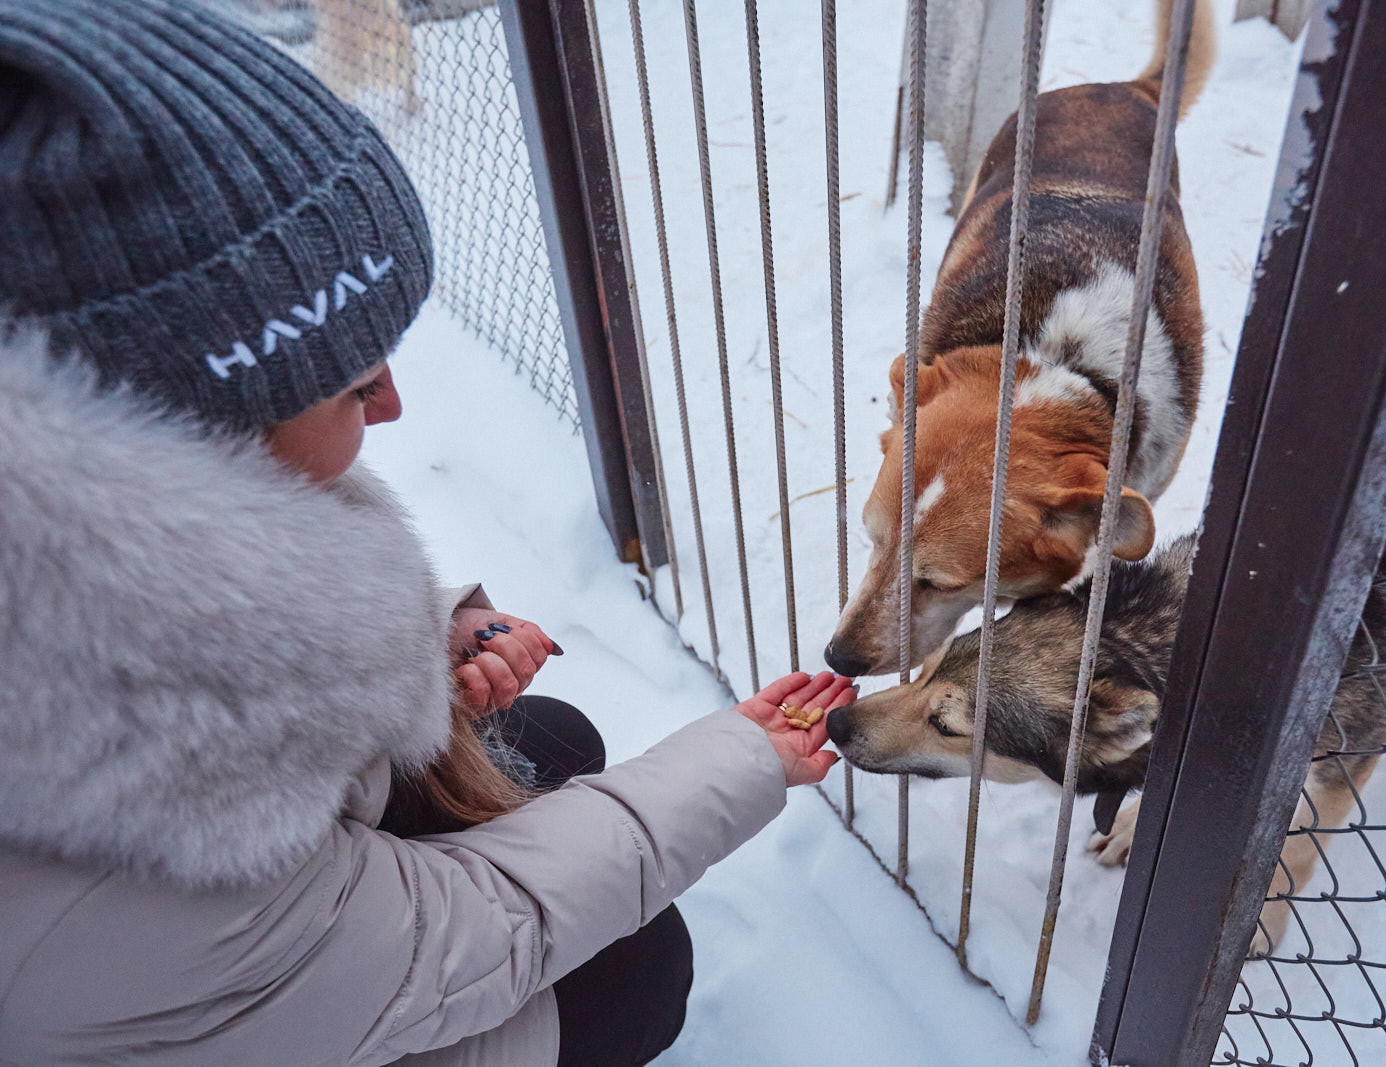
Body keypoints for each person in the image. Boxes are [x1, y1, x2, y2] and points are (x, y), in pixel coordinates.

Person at [0, 1, 853, 1064]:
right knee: (636, 966)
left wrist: (418, 651)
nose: (395, 404)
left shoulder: (65, 567)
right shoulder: (107, 875)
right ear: (172, 423)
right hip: (234, 995)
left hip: (247, 949)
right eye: (353, 380)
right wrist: (745, 756)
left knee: (549, 747)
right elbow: (474, 925)